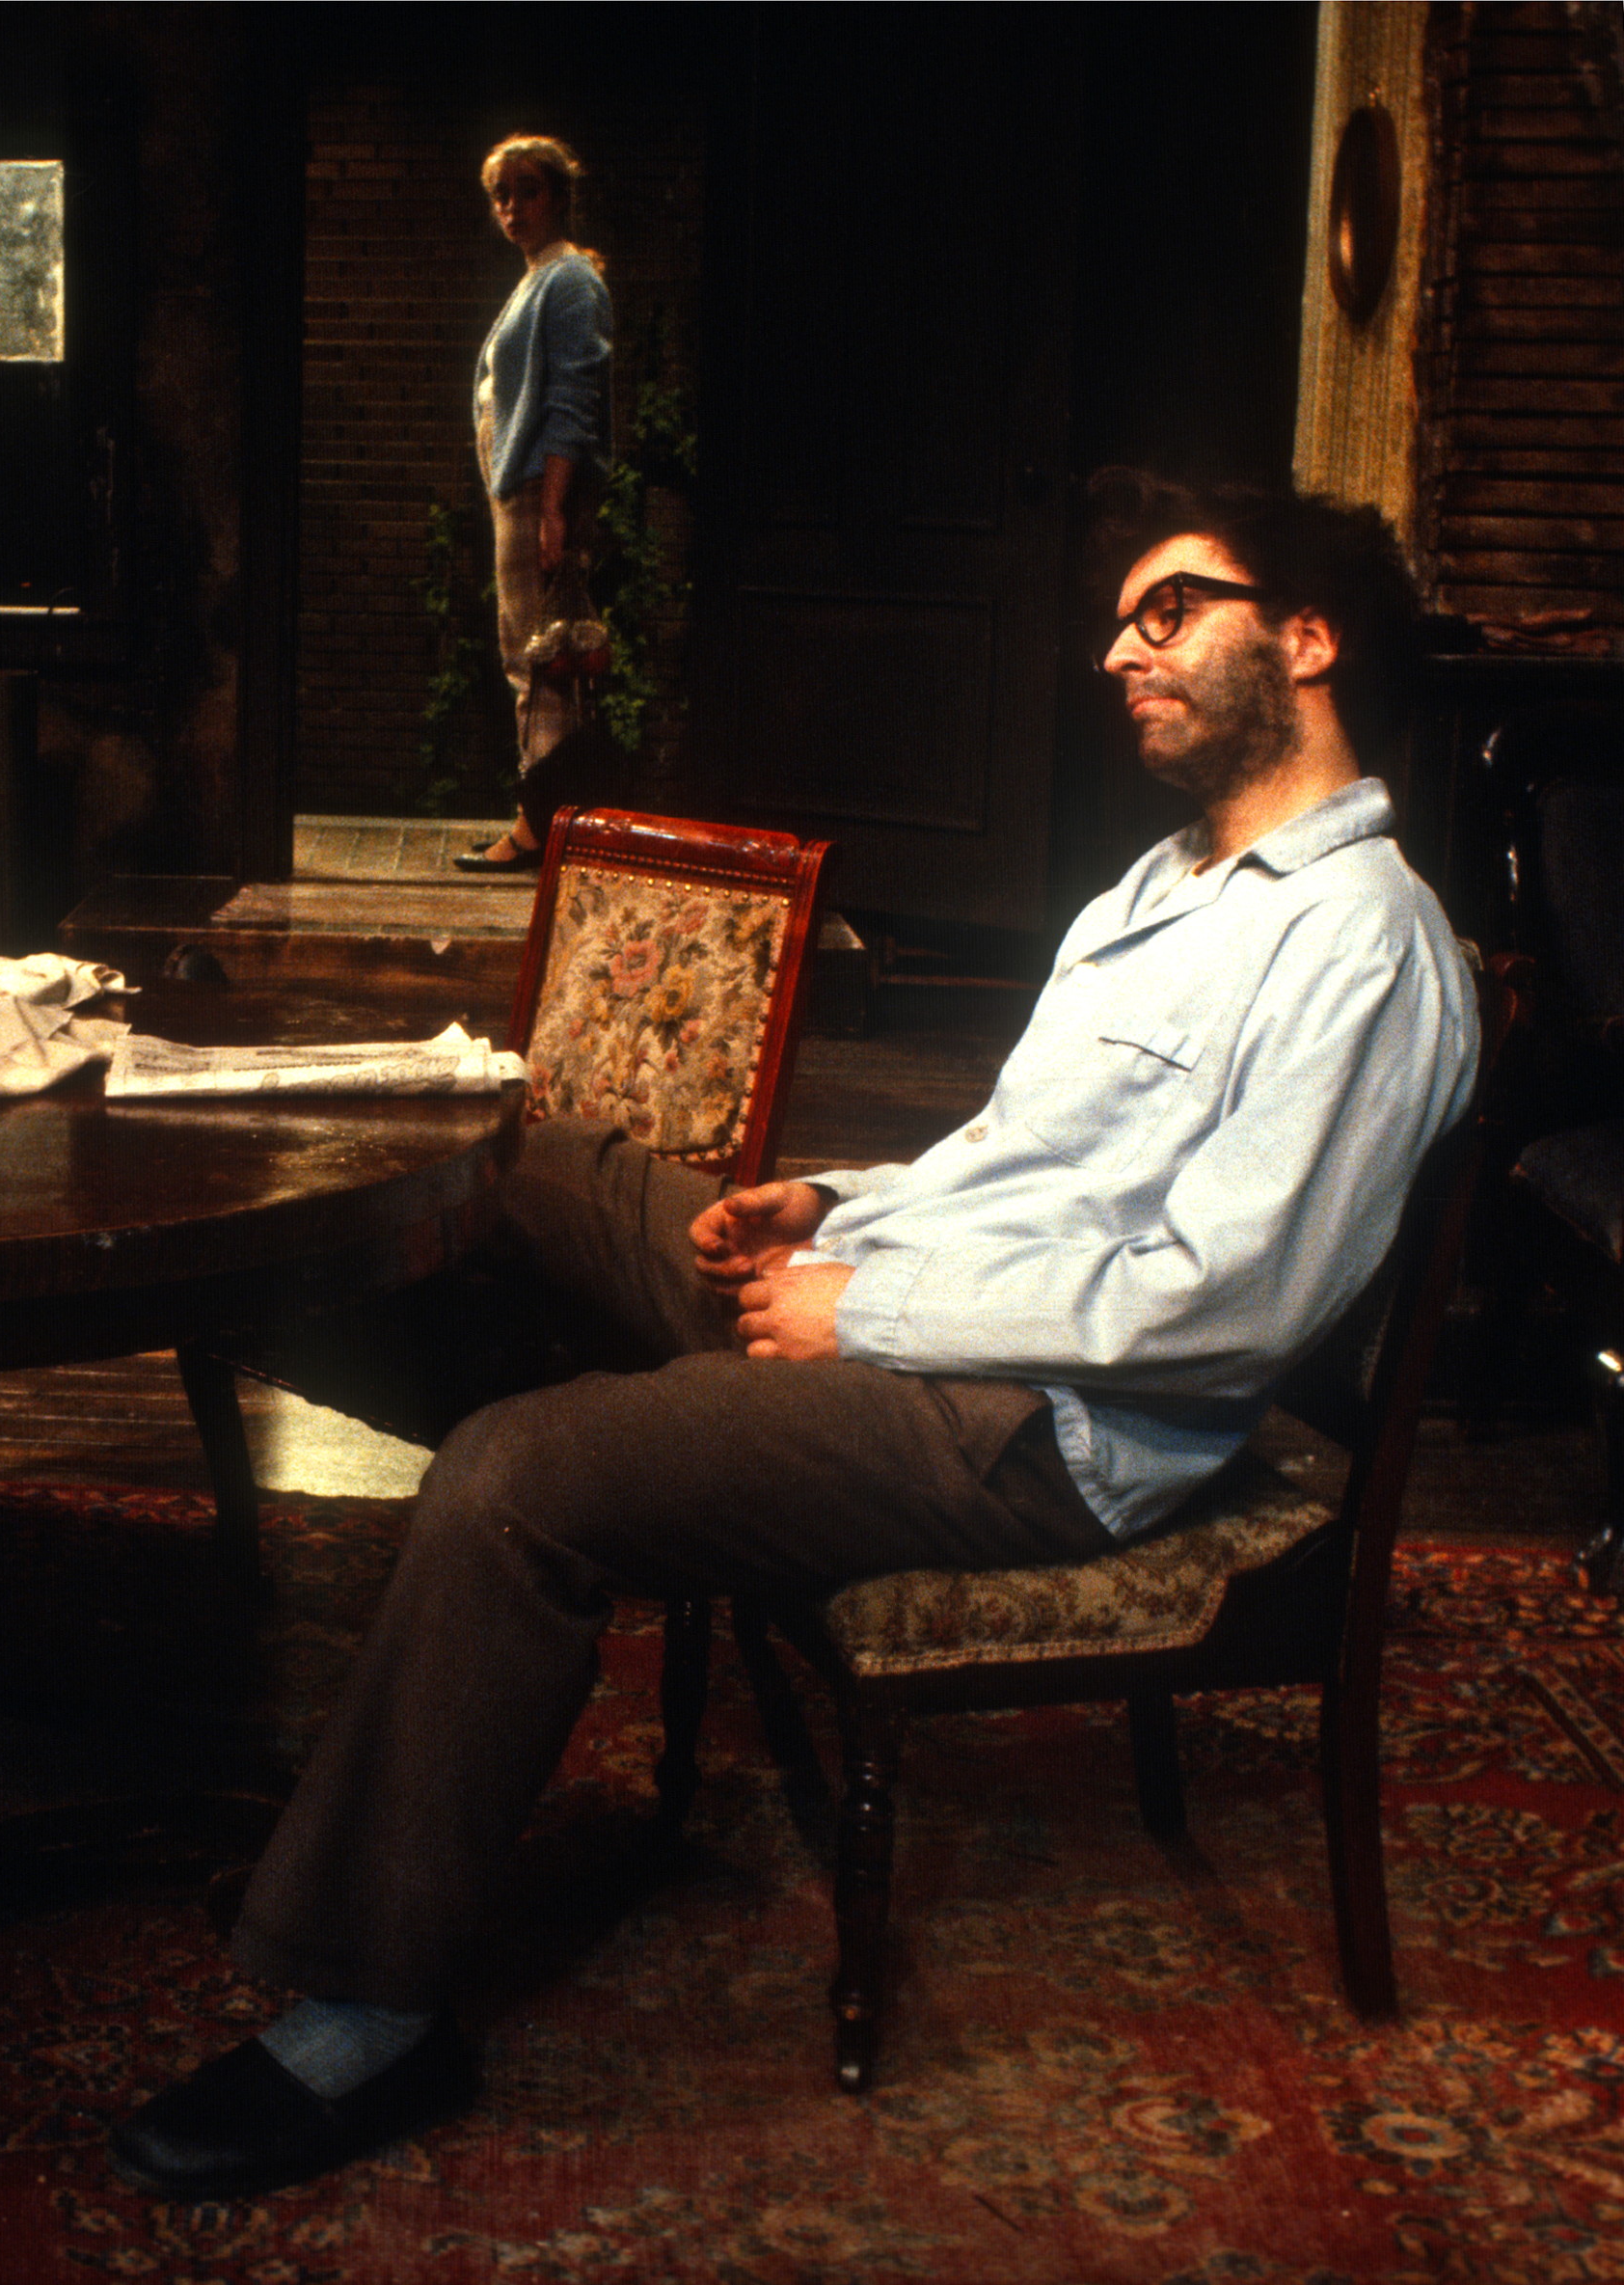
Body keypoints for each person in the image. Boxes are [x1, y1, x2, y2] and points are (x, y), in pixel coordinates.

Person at [110, 471, 1477, 2198]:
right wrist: (830, 1203)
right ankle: (592, 1517)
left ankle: (372, 2001)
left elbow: (1232, 1297)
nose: (1117, 653)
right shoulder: (1158, 888)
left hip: (1042, 1430)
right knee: (505, 1155)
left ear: (1309, 637)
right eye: (1120, 622)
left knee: (523, 1476)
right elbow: (1011, 1158)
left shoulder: (1365, 943)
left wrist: (869, 1307)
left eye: (1167, 610)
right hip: (900, 1302)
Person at [455, 135, 616, 874]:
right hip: (517, 494)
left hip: (537, 494)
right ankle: (551, 819)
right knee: (538, 656)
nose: (512, 207)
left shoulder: (570, 279)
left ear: (558, 196)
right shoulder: (539, 280)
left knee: (541, 661)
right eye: (501, 195)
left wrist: (552, 508)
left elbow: (574, 402)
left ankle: (542, 827)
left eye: (527, 190)